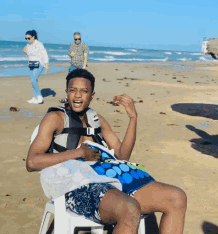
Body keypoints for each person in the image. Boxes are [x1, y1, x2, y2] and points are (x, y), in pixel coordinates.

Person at [26, 69, 187, 234]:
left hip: (106, 181)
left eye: (84, 91)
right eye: (73, 90)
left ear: (92, 95)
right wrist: (79, 153)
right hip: (73, 187)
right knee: (129, 209)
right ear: (66, 92)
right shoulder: (55, 118)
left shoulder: (97, 120)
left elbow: (122, 156)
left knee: (176, 198)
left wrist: (133, 118)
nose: (78, 96)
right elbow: (32, 162)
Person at [23, 30, 49, 104]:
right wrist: (25, 52)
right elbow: (29, 56)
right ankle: (35, 97)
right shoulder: (28, 45)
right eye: (26, 38)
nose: (27, 40)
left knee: (33, 80)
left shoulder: (39, 44)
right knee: (32, 80)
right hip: (31, 64)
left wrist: (46, 64)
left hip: (40, 64)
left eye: (29, 38)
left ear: (33, 37)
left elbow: (44, 54)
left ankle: (39, 97)